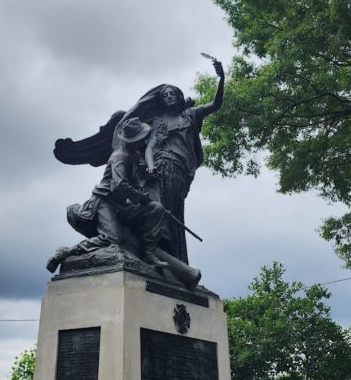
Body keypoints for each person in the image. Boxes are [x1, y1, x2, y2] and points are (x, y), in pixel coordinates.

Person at [117, 58, 224, 263]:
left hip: (180, 170)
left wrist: (221, 77)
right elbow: (149, 147)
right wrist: (150, 167)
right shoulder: (157, 122)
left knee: (174, 211)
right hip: (162, 167)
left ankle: (173, 255)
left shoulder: (190, 115)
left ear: (178, 96)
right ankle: (154, 250)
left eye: (172, 93)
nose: (169, 97)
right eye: (165, 95)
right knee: (161, 209)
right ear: (162, 100)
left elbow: (215, 104)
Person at [47, 118, 168, 272]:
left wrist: (149, 173)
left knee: (156, 209)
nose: (144, 139)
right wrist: (140, 197)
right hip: (105, 202)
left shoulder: (134, 155)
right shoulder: (120, 156)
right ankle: (65, 252)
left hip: (122, 204)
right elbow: (119, 185)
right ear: (134, 140)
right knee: (112, 239)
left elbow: (140, 174)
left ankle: (148, 253)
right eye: (142, 137)